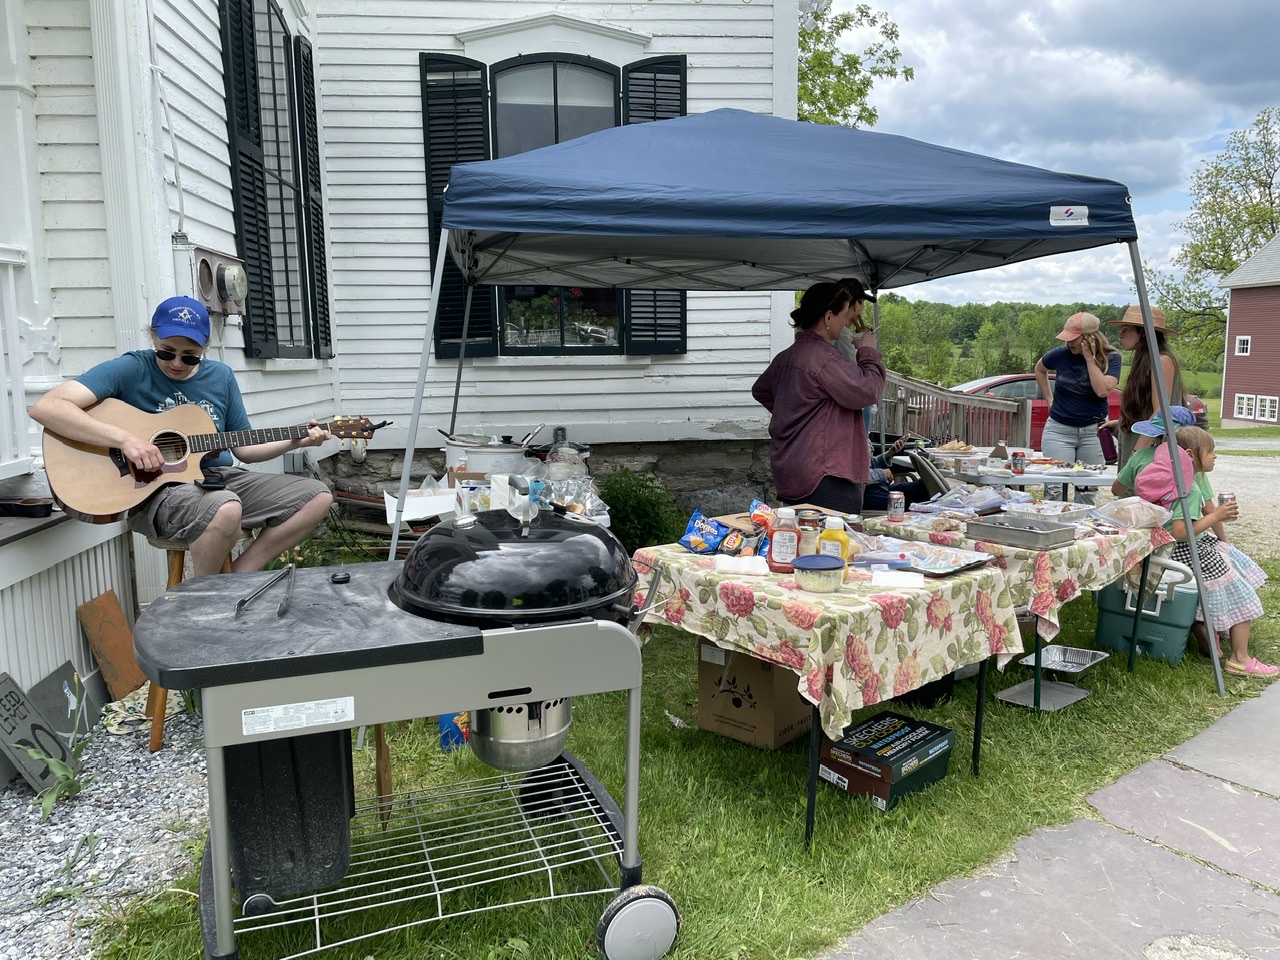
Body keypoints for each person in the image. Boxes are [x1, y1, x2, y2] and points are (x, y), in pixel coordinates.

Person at [30, 296, 334, 579]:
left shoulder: (220, 377)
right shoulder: (132, 368)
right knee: (226, 507)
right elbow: (47, 407)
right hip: (152, 491)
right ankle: (203, 596)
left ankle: (237, 578)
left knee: (316, 496)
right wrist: (126, 440)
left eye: (189, 357)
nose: (176, 363)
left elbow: (244, 448)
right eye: (166, 352)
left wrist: (298, 440)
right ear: (153, 338)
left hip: (214, 478)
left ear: (205, 347)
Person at [1143, 425, 1274, 677]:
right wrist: (1216, 515)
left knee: (1229, 587)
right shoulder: (1188, 489)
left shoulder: (1174, 480)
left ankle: (1213, 632)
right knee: (1241, 596)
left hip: (1176, 551)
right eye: (1211, 451)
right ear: (1191, 455)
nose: (1215, 456)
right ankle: (1240, 658)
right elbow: (1181, 531)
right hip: (1188, 552)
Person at [752, 281, 886, 514]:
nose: (846, 322)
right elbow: (868, 391)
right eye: (843, 315)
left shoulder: (787, 356)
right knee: (834, 545)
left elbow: (761, 390)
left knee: (802, 542)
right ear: (827, 317)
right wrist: (867, 351)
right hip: (826, 475)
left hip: (792, 469)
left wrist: (796, 413)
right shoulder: (824, 359)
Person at [1034, 312, 1121, 502]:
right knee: (1054, 488)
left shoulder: (1112, 358)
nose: (1069, 343)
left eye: (1073, 339)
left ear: (1091, 337)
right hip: (1059, 430)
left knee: (1087, 489)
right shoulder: (1060, 354)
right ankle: (1055, 529)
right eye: (1066, 338)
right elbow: (1040, 369)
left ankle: (1082, 529)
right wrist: (1049, 399)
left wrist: (1090, 359)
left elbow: (1102, 391)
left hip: (1093, 431)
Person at [1103, 304, 1184, 469]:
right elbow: (1146, 407)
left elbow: (1160, 414)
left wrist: (1137, 452)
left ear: (1143, 333)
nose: (1121, 334)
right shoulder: (1144, 361)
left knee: (1142, 493)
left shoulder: (1161, 361)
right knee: (1129, 494)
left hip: (1149, 449)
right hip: (1139, 442)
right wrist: (1120, 423)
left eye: (1126, 329)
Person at [1109, 405, 1197, 497]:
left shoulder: (1140, 456)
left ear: (1155, 435)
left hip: (1148, 510)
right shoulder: (1193, 462)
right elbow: (1208, 508)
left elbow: (1116, 490)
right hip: (1184, 511)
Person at [863, 435, 930, 512]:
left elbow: (869, 463)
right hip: (864, 494)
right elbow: (854, 474)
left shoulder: (863, 433)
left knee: (924, 486)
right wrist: (882, 474)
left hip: (880, 487)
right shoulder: (849, 436)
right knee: (917, 500)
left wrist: (890, 452)